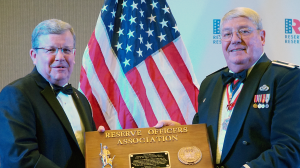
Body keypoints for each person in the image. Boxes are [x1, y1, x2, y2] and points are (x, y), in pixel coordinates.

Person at [154, 7, 300, 168]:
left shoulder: (286, 78)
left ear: (262, 37)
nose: (235, 39)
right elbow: (203, 145)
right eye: (227, 34)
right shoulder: (210, 83)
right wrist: (181, 135)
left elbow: (289, 150)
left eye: (244, 31)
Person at [0, 19, 96, 167]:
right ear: (34, 55)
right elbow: (20, 159)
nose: (60, 57)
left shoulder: (81, 99)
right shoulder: (16, 94)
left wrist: (101, 145)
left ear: (74, 54)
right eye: (51, 50)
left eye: (66, 50)